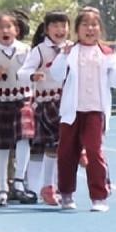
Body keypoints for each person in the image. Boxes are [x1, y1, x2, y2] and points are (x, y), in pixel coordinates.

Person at [49, 7, 116, 213]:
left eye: (94, 25)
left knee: (94, 153)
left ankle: (99, 196)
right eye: (85, 25)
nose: (90, 29)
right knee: (66, 153)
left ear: (100, 29)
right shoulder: (70, 52)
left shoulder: (106, 54)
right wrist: (63, 56)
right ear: (77, 30)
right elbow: (56, 74)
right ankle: (66, 194)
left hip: (95, 111)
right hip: (72, 112)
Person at [0, 11, 36, 205]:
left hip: (21, 101)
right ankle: (2, 188)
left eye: (8, 26)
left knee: (24, 139)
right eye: (0, 27)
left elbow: (31, 73)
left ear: (16, 30)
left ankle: (19, 182)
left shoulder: (26, 51)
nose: (5, 31)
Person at [19, 11, 71, 206]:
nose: (60, 30)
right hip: (46, 103)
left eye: (63, 26)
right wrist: (33, 76)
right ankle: (40, 188)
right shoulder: (40, 50)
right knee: (48, 146)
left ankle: (54, 187)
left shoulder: (72, 49)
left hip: (67, 103)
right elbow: (22, 72)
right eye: (55, 26)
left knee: (62, 148)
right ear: (47, 29)